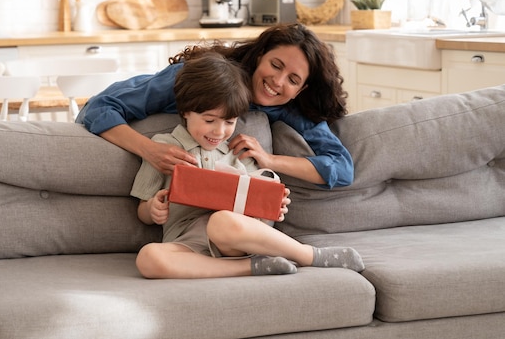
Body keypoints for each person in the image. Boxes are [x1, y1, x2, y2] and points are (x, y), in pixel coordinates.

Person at [131, 52, 364, 279]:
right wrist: (152, 209)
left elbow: (257, 207)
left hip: (231, 238)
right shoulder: (163, 148)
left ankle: (308, 255)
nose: (219, 131)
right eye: (209, 121)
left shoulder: (237, 152)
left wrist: (271, 205)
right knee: (148, 257)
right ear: (185, 112)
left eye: (229, 122)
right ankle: (251, 267)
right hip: (188, 244)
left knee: (221, 221)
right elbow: (143, 212)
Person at [77, 23, 352, 189]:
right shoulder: (195, 78)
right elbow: (98, 107)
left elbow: (342, 168)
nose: (277, 82)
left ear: (301, 89)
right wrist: (150, 150)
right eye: (275, 65)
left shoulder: (290, 108)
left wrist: (269, 161)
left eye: (292, 79)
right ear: (259, 56)